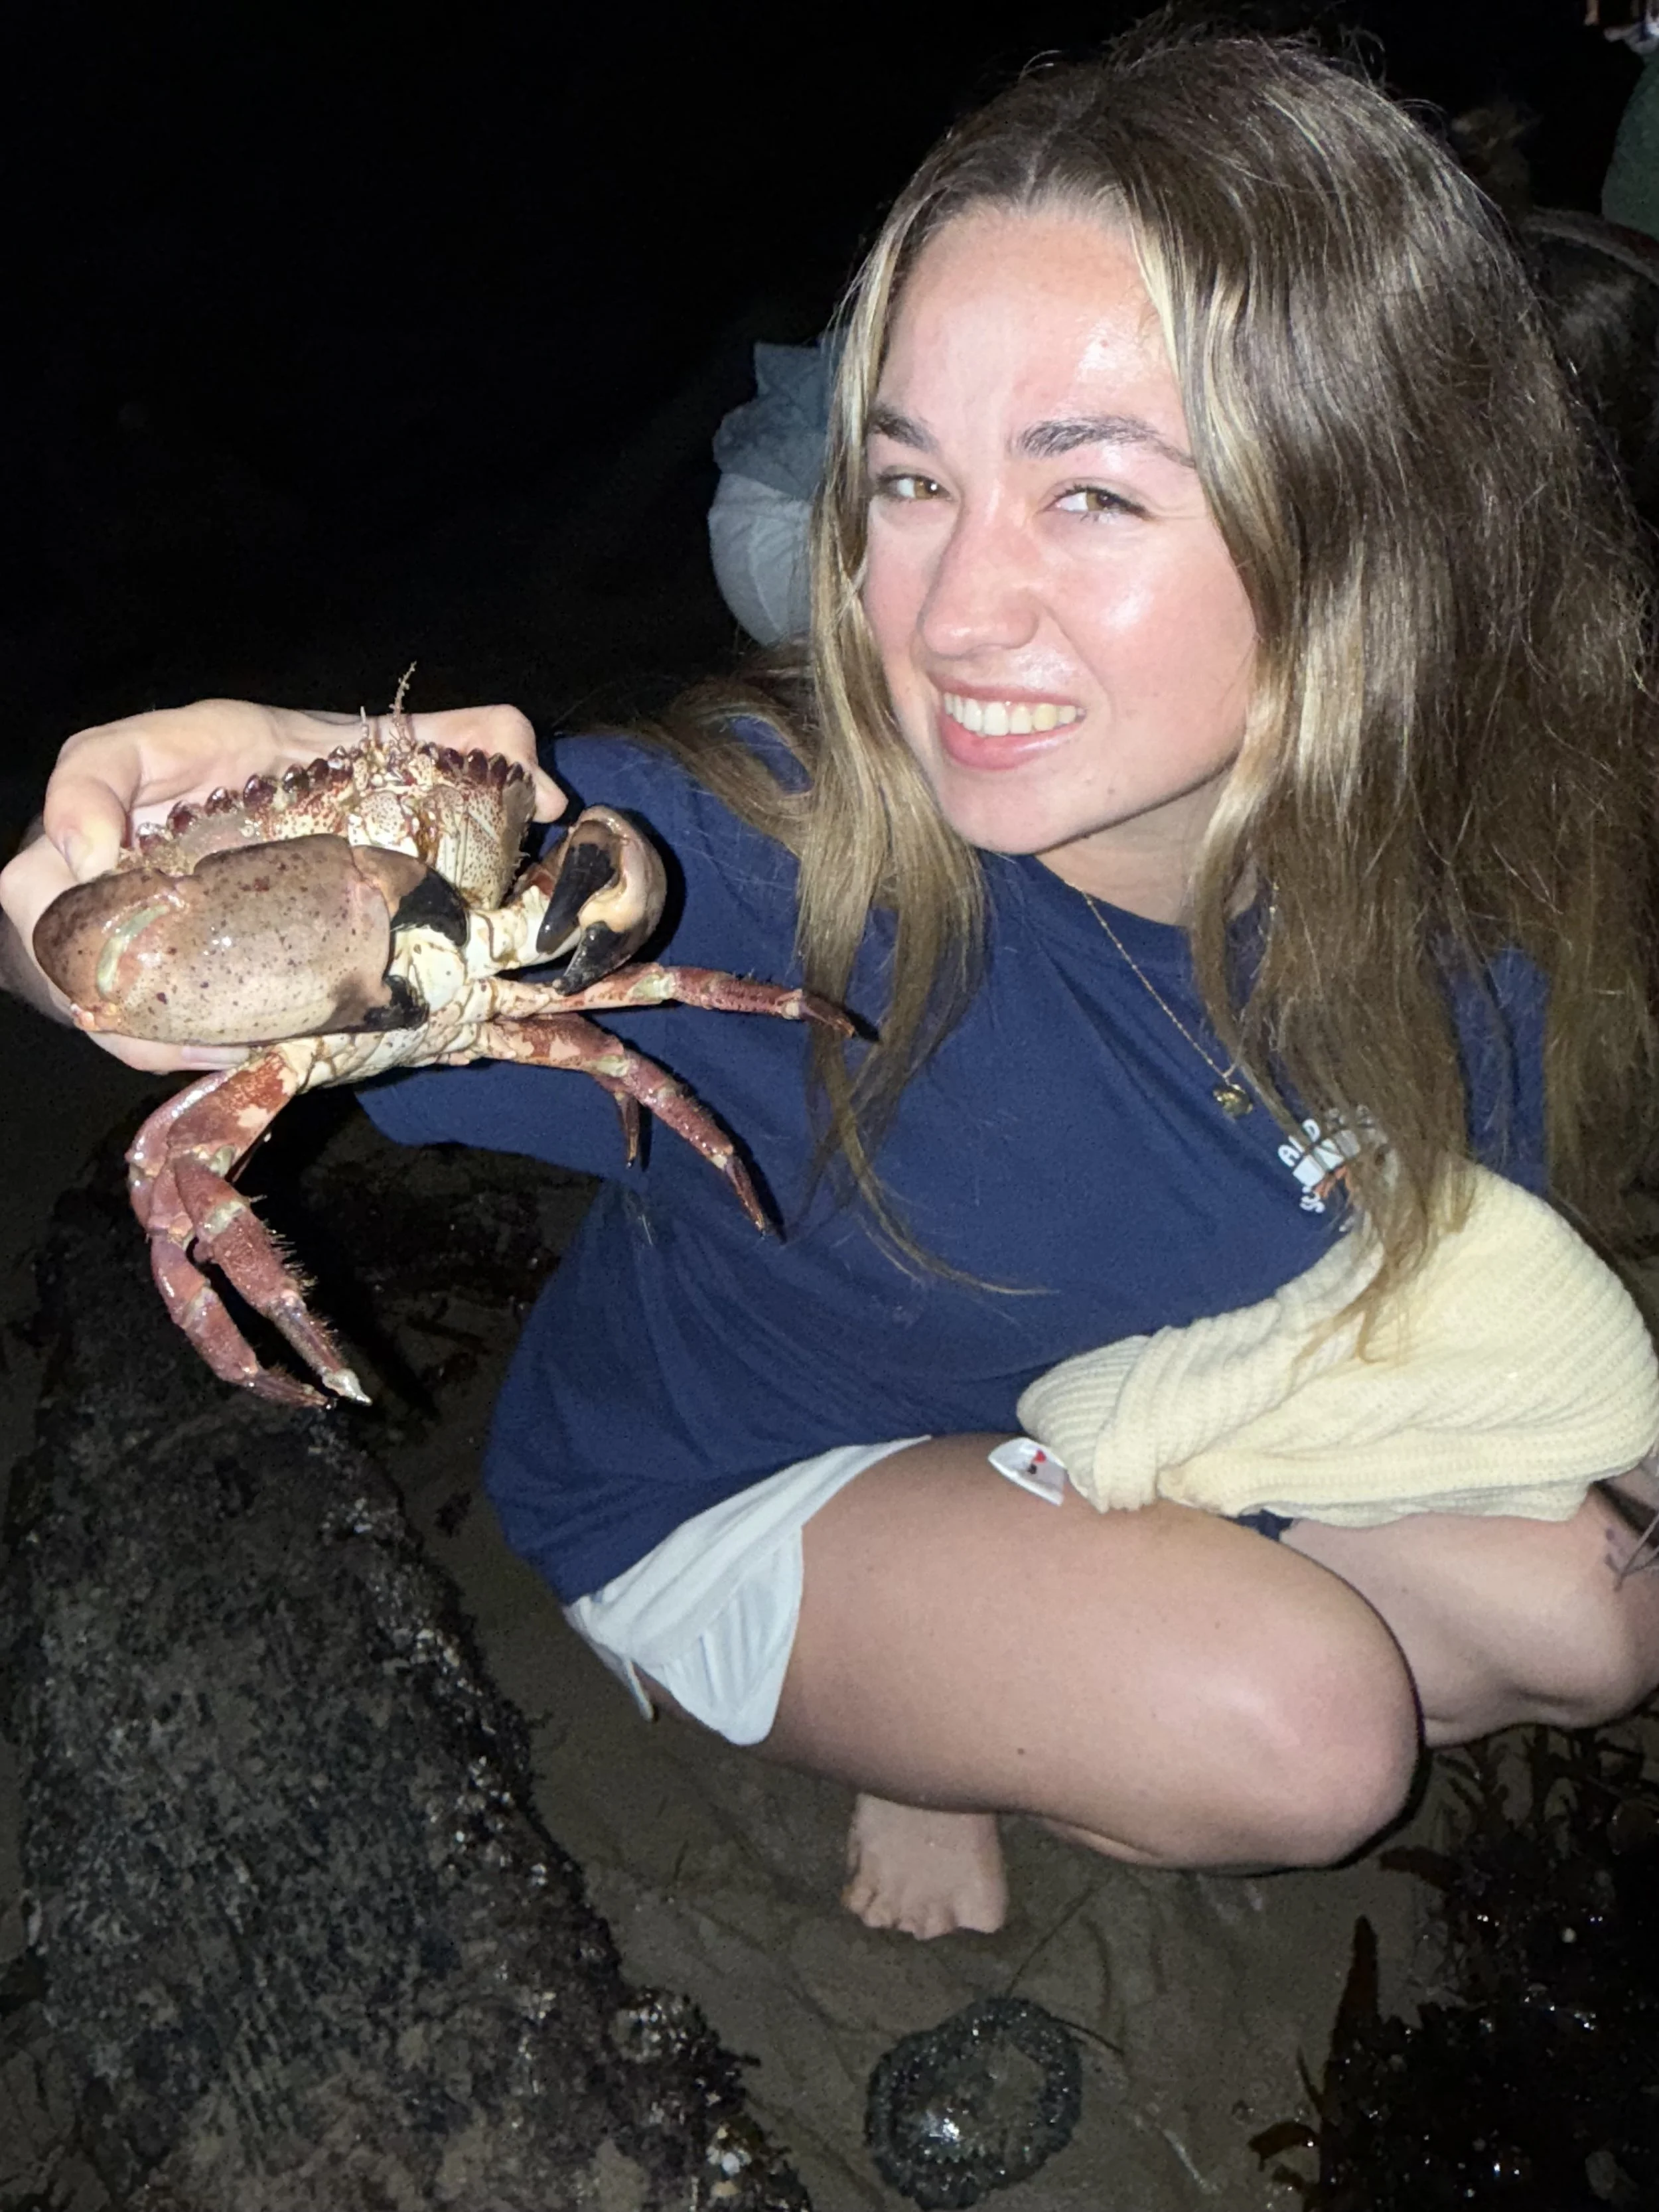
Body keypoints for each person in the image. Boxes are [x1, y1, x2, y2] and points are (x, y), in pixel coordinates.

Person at [9, 25, 1659, 1945]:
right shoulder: (732, 870)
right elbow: (116, 992)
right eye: (906, 478)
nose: (945, 614)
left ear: (1379, 529)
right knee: (1307, 1739)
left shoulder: (1480, 871)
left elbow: (1443, 1254)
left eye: (1094, 493)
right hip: (741, 1467)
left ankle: (1040, 1592)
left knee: (1589, 1610)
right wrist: (105, 891)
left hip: (1097, 1384)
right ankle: (926, 1713)